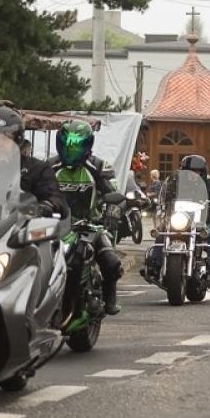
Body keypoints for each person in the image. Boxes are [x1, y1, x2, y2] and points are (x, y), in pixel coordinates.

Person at [48, 118, 124, 315]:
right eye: (67, 144)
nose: (71, 149)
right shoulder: (49, 166)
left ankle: (109, 299)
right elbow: (32, 192)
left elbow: (115, 195)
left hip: (90, 226)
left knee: (111, 262)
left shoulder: (99, 166)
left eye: (76, 145)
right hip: (54, 226)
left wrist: (111, 215)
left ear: (87, 145)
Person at [167, 153, 210, 282]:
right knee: (162, 232)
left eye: (197, 171)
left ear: (202, 172)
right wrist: (159, 199)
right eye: (190, 171)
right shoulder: (176, 182)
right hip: (179, 220)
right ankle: (155, 262)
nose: (193, 174)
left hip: (201, 221)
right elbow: (167, 193)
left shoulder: (209, 183)